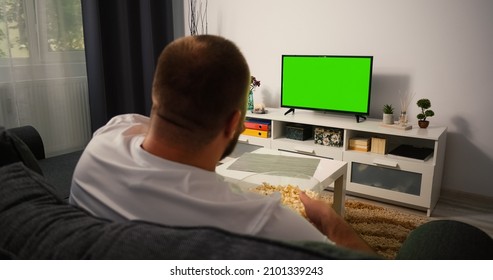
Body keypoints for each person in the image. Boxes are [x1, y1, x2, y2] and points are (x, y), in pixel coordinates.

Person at [69, 35, 373, 254]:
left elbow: (147, 124)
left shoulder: (104, 140)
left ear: (155, 95)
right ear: (233, 123)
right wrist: (333, 223)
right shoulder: (267, 224)